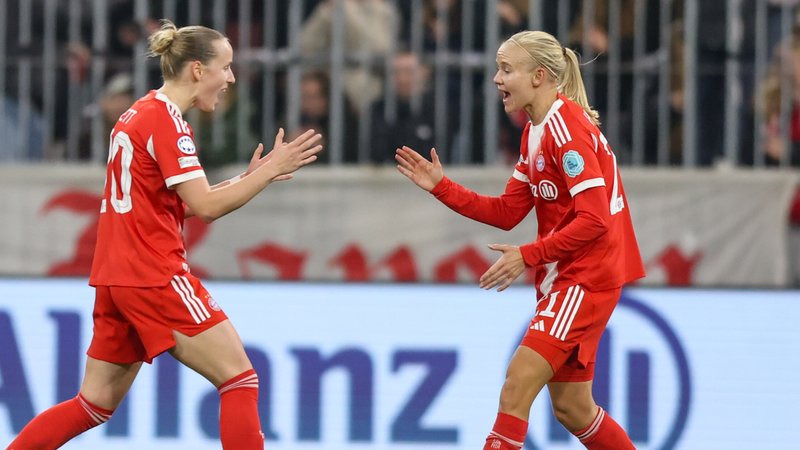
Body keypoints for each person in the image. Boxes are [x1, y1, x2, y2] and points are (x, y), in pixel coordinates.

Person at [5, 19, 322, 450]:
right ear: (197, 69)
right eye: (225, 67)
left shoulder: (137, 113)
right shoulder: (168, 123)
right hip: (154, 274)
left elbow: (183, 203)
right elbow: (207, 208)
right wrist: (269, 171)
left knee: (93, 404)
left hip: (116, 277)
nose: (229, 78)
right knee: (240, 379)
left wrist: (247, 179)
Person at [395, 30, 644, 450]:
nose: (496, 78)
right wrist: (442, 186)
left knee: (516, 387)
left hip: (585, 278)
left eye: (506, 69)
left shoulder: (567, 130)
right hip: (569, 278)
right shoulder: (536, 131)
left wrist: (528, 256)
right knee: (572, 408)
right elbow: (508, 212)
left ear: (539, 77)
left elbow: (596, 219)